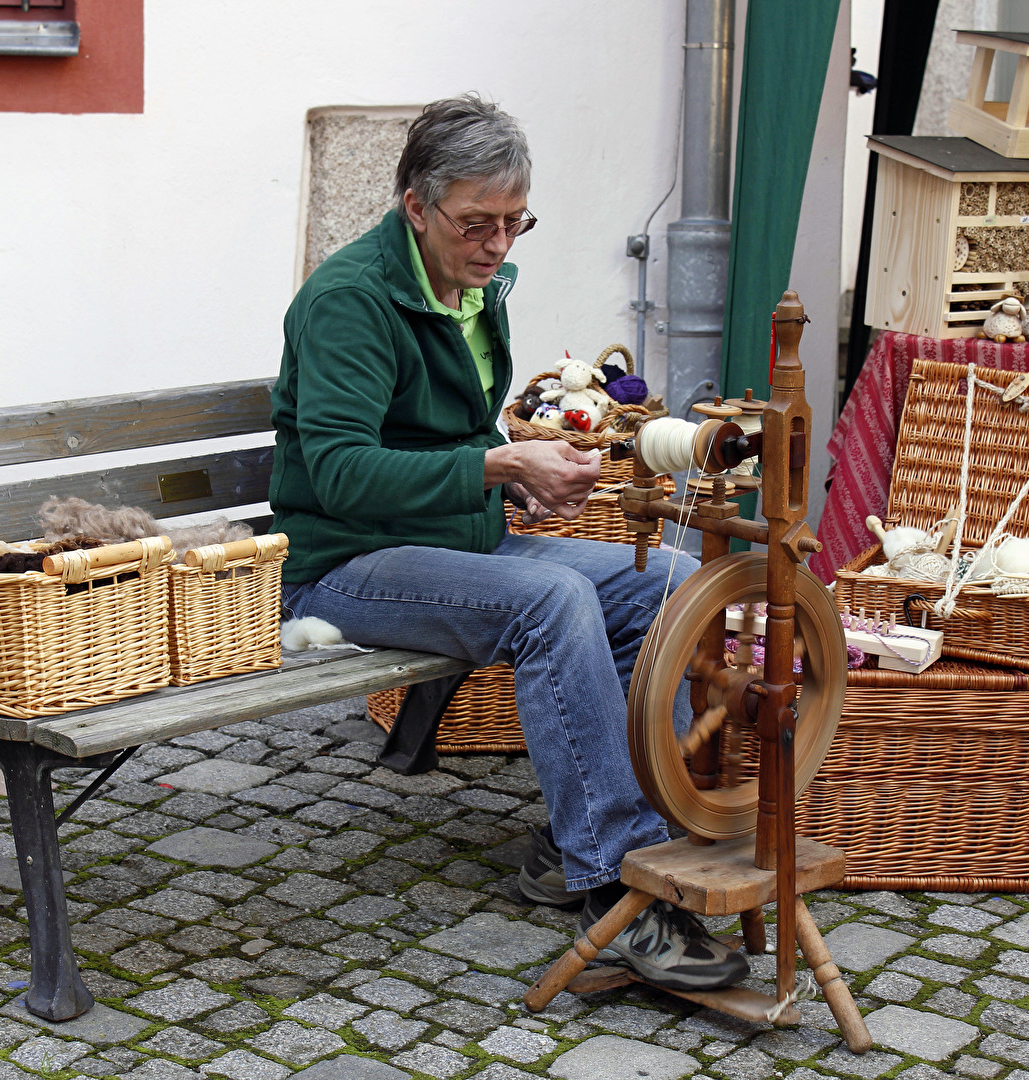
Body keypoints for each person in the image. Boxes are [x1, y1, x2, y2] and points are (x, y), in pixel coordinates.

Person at [270, 94, 748, 990]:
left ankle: (650, 832)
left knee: (672, 581)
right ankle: (620, 879)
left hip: (451, 542)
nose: (495, 245)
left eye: (513, 222)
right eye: (475, 223)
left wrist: (519, 466)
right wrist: (495, 470)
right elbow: (339, 474)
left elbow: (452, 430)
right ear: (415, 205)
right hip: (342, 566)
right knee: (551, 600)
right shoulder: (348, 304)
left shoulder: (470, 286)